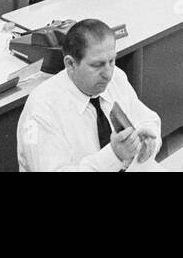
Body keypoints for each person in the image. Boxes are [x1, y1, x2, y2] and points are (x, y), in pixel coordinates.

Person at [16, 18, 162, 172]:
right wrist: (114, 156)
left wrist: (149, 139)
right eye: (97, 65)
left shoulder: (116, 78)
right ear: (70, 64)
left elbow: (147, 119)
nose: (108, 74)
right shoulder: (42, 109)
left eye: (112, 61)